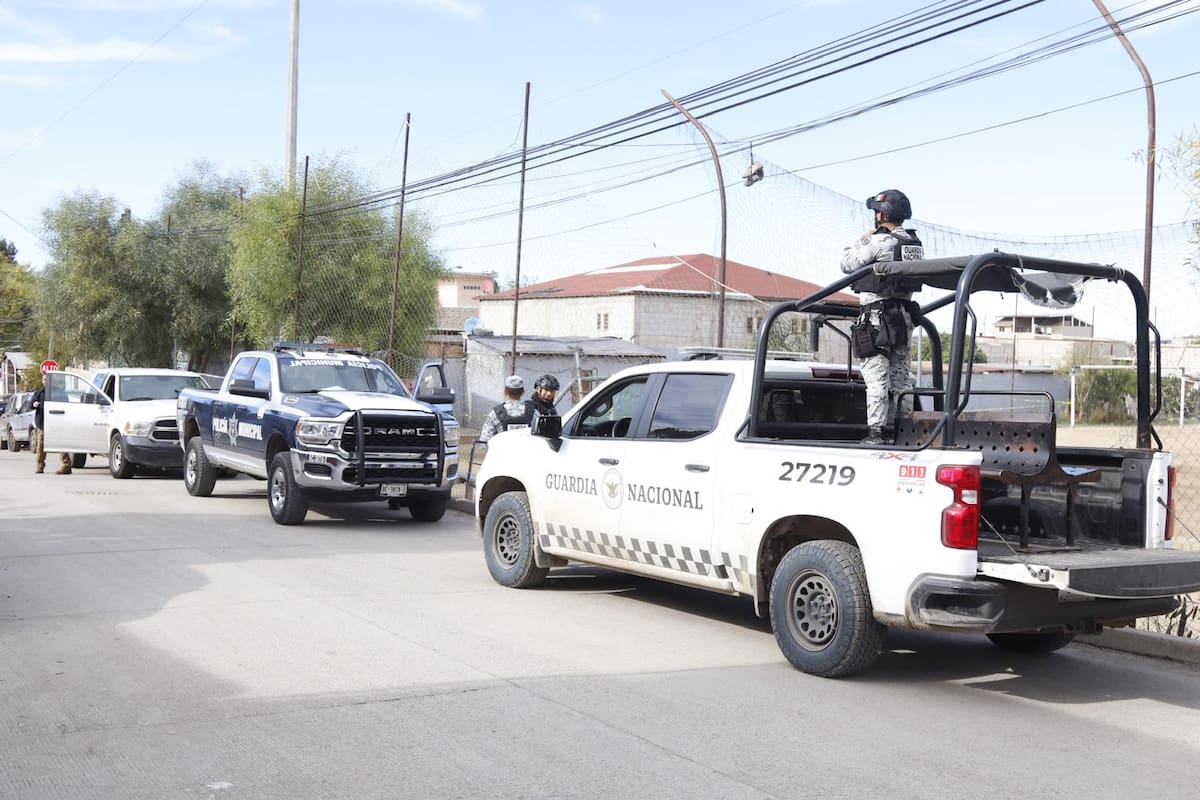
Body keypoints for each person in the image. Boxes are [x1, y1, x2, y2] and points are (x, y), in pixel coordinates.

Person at [840, 189, 924, 444]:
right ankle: (906, 431)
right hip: (903, 318)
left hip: (876, 320)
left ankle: (875, 433)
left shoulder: (880, 242)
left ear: (882, 214)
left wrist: (863, 240)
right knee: (901, 376)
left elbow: (847, 263)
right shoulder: (913, 244)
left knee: (876, 375)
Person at [30, 372, 73, 475]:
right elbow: (31, 404)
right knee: (41, 446)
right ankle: (40, 465)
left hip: (57, 423)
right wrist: (34, 404)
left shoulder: (59, 393)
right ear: (42, 381)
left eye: (47, 380)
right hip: (43, 424)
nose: (46, 381)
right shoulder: (39, 393)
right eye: (44, 380)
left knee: (61, 444)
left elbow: (66, 405)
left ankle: (66, 465)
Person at [479, 375, 536, 443]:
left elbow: (485, 441)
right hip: (527, 453)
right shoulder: (533, 412)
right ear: (523, 392)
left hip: (503, 453)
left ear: (505, 391)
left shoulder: (495, 413)